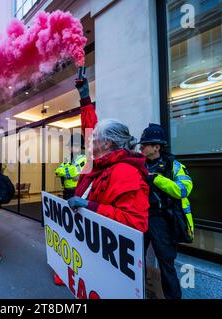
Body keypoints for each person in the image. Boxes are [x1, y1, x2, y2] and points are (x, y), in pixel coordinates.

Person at [54, 75, 150, 286]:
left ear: (106, 144)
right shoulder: (96, 162)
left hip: (105, 264)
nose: (89, 140)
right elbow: (91, 127)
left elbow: (135, 223)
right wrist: (85, 99)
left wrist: (90, 206)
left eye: (94, 138)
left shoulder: (126, 173)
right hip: (88, 249)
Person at [139, 124, 194, 300]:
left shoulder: (174, 166)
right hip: (140, 218)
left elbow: (183, 189)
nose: (141, 147)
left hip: (161, 221)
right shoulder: (138, 165)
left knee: (166, 266)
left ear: (157, 147)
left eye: (145, 144)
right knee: (133, 260)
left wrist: (157, 179)